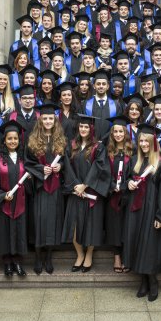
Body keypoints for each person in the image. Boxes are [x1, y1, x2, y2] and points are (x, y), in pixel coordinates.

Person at [122, 124, 161, 301]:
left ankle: (153, 282)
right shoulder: (135, 162)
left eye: (147, 141)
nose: (144, 144)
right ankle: (143, 281)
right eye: (141, 140)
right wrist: (128, 183)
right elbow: (126, 180)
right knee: (137, 244)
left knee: (150, 247)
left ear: (153, 143)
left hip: (152, 211)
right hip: (135, 211)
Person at [25, 103, 69, 274]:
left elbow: (66, 161)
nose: (48, 121)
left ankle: (49, 257)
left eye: (51, 118)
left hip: (55, 188)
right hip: (40, 187)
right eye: (45, 118)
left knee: (52, 222)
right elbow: (28, 162)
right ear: (40, 120)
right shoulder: (33, 140)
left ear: (55, 120)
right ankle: (37, 257)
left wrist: (61, 167)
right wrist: (40, 169)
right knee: (39, 221)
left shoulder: (61, 139)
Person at [62, 114, 110, 273]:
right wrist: (76, 186)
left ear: (92, 129)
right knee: (75, 227)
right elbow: (67, 166)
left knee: (91, 227)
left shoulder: (98, 147)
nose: (83, 129)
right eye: (81, 126)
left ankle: (89, 254)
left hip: (91, 194)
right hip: (75, 193)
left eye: (86, 127)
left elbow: (100, 167)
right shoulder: (71, 145)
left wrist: (85, 185)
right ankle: (80, 254)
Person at [0, 120, 31, 277]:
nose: (13, 141)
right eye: (9, 138)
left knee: (18, 232)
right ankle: (7, 264)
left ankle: (18, 262)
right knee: (4, 232)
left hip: (20, 203)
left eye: (15, 139)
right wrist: (2, 195)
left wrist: (30, 178)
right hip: (3, 204)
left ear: (19, 140)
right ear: (4, 140)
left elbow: (30, 178)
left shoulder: (24, 158)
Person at [105, 115, 134, 273]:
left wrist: (125, 185)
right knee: (114, 227)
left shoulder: (132, 149)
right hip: (112, 195)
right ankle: (117, 256)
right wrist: (111, 185)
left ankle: (127, 256)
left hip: (128, 195)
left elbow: (135, 172)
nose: (118, 134)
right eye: (115, 131)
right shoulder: (107, 150)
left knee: (126, 226)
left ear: (125, 132)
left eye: (120, 131)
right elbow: (102, 171)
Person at [84, 69, 123, 140]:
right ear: (94, 86)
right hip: (91, 143)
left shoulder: (116, 105)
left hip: (110, 144)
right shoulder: (86, 104)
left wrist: (105, 139)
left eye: (104, 84)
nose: (101, 86)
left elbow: (116, 126)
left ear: (108, 86)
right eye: (98, 84)